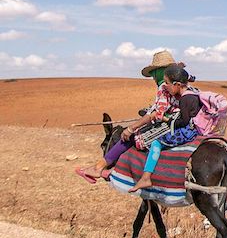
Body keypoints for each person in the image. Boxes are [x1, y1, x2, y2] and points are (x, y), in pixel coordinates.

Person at [75, 51, 187, 182]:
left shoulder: (164, 86)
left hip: (170, 123)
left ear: (158, 72)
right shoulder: (180, 83)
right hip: (181, 120)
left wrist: (132, 128)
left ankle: (100, 168)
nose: (154, 78)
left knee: (129, 137)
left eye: (154, 74)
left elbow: (156, 113)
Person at [128, 65, 202, 192]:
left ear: (177, 84)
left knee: (157, 142)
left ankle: (146, 177)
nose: (165, 86)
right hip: (194, 129)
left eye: (167, 83)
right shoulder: (194, 94)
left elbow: (183, 122)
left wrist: (165, 119)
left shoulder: (184, 99)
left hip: (187, 132)